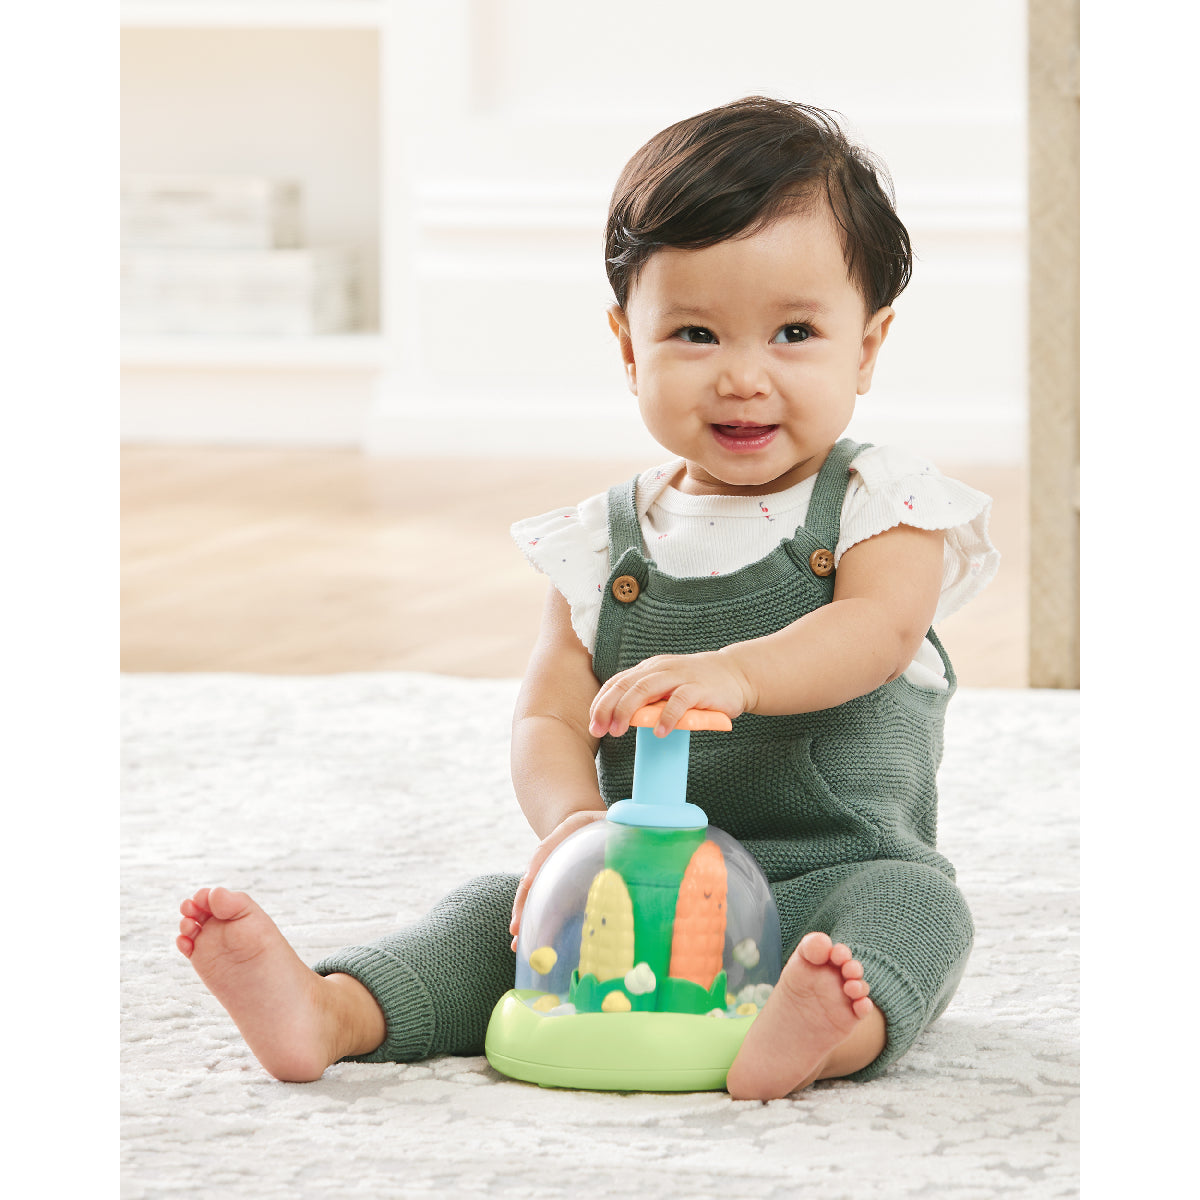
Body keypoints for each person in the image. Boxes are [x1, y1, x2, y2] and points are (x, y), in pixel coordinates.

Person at [176, 96, 998, 1100]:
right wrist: (572, 826)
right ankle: (335, 1011)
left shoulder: (885, 505)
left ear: (865, 348)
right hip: (637, 896)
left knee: (919, 912)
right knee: (492, 914)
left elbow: (872, 633)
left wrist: (735, 672)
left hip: (832, 874)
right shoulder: (600, 544)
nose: (743, 377)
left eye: (792, 332)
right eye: (695, 333)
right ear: (626, 346)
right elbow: (549, 711)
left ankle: (820, 1030)